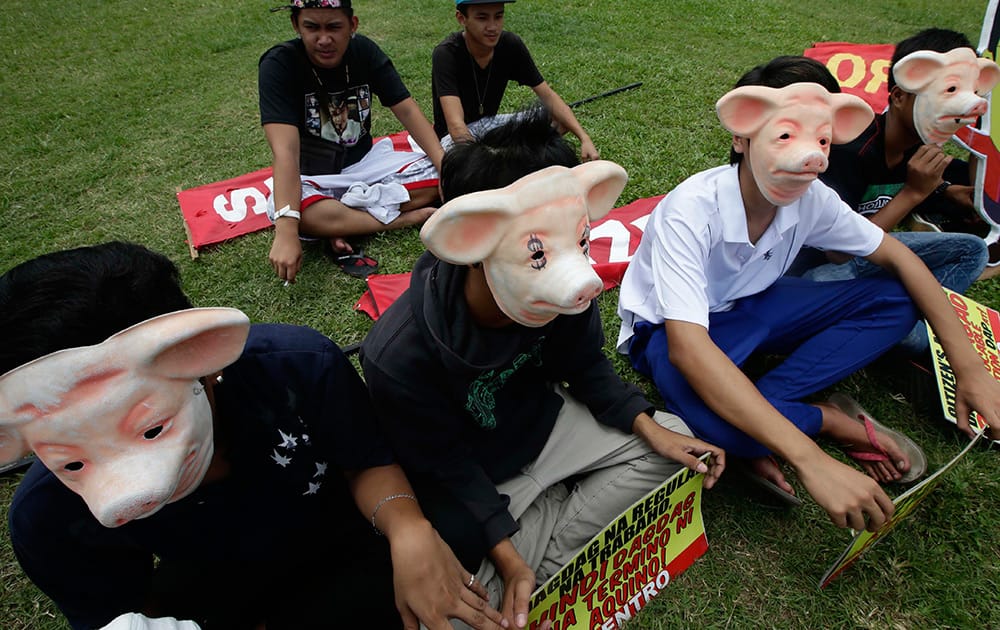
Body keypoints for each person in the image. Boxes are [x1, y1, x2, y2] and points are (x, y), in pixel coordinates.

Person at [0, 242, 504, 630]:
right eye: (73, 457)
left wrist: (409, 529)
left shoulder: (295, 367)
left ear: (202, 358)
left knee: (456, 532)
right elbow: (124, 610)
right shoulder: (47, 517)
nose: (125, 488)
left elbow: (364, 458)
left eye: (150, 428)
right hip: (221, 587)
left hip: (339, 539)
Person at [361, 109, 724, 630]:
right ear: (471, 241)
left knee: (677, 442)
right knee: (462, 616)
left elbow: (586, 366)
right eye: (536, 252)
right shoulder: (397, 355)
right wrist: (507, 557)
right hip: (479, 478)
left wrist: (648, 429)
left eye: (577, 242)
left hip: (548, 427)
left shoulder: (564, 296)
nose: (576, 267)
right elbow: (446, 466)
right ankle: (541, 543)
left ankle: (545, 536)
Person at [616, 56, 1000, 534]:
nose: (812, 156)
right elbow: (688, 348)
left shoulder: (813, 196)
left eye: (821, 139)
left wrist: (970, 369)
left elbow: (902, 260)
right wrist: (810, 456)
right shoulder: (693, 209)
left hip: (758, 306)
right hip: (669, 332)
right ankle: (826, 419)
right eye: (784, 133)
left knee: (900, 295)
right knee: (712, 431)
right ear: (741, 133)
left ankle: (761, 422)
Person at [796, 29, 995, 316]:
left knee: (974, 250)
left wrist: (948, 192)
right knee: (909, 333)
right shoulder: (849, 149)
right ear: (900, 96)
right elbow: (838, 252)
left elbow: (974, 183)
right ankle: (899, 319)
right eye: (949, 92)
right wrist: (913, 194)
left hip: (862, 264)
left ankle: (906, 314)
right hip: (816, 275)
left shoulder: (918, 146)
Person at [260, 0, 446, 283]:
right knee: (289, 209)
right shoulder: (279, 64)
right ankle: (400, 219)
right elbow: (285, 151)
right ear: (296, 25)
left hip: (368, 166)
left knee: (448, 166)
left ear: (352, 25)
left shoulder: (364, 51)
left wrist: (447, 168)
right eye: (312, 27)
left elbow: (407, 110)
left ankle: (346, 223)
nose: (324, 39)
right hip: (312, 177)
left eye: (334, 27)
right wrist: (286, 229)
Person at [431, 0, 599, 161]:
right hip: (453, 139)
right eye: (482, 18)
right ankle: (510, 157)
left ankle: (508, 157)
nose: (492, 27)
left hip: (488, 126)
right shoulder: (446, 54)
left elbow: (548, 96)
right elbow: (455, 125)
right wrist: (479, 160)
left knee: (556, 117)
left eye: (498, 16)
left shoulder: (510, 44)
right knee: (465, 164)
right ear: (462, 18)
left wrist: (584, 137)